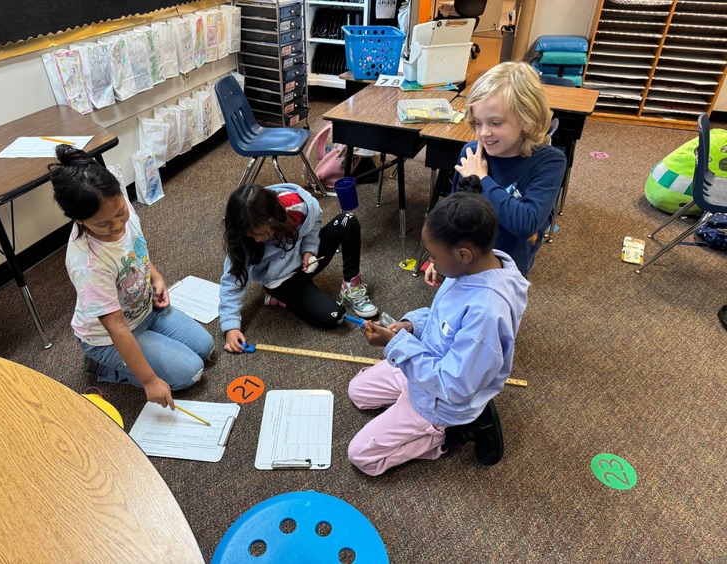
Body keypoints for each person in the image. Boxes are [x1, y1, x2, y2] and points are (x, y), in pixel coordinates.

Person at [347, 192, 529, 476]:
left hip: (443, 399)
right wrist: (410, 326)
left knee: (362, 457)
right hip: (427, 364)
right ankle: (411, 411)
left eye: (433, 256)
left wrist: (397, 345)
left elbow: (453, 385)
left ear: (463, 255)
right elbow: (440, 320)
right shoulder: (470, 269)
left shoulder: (485, 313)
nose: (428, 263)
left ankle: (448, 436)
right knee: (357, 392)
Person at [49, 145, 214, 409]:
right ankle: (105, 366)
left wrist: (155, 278)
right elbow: (116, 327)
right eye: (103, 225)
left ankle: (143, 355)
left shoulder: (118, 206)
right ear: (77, 220)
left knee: (205, 347)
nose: (116, 227)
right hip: (109, 335)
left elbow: (137, 250)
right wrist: (149, 380)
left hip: (146, 310)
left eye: (119, 215)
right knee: (191, 373)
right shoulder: (88, 264)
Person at [219, 182, 377, 353]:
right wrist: (230, 326)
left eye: (260, 233)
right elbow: (232, 280)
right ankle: (282, 298)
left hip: (306, 261)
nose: (256, 239)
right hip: (282, 280)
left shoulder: (298, 207)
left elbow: (313, 226)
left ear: (273, 218)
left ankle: (350, 287)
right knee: (336, 317)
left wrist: (308, 251)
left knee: (348, 221)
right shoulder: (242, 237)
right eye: (251, 235)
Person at [449, 60, 567, 278]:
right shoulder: (472, 153)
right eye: (477, 123)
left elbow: (525, 224)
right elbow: (454, 213)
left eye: (495, 123)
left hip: (507, 272)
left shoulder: (550, 162)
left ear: (527, 121)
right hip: (464, 262)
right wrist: (442, 254)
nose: (483, 133)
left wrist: (481, 179)